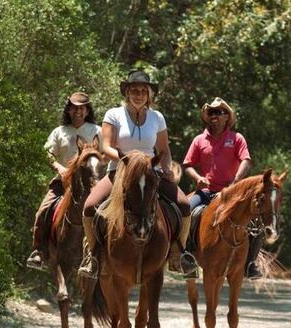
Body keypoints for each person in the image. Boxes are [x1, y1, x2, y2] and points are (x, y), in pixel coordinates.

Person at [78, 70, 198, 279]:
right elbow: (106, 146)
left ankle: (180, 253)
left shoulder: (157, 118)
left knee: (185, 205)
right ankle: (93, 257)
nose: (139, 94)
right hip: (121, 171)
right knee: (89, 207)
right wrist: (128, 160)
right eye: (134, 90)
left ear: (149, 94)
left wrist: (167, 168)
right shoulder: (113, 114)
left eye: (144, 90)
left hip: (152, 173)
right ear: (127, 92)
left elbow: (164, 149)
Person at [183, 97, 263, 280]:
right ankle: (186, 256)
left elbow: (246, 160)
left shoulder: (236, 138)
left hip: (231, 194)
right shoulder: (199, 140)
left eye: (219, 112)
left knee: (255, 220)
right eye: (211, 112)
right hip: (205, 192)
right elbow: (187, 164)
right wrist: (197, 177)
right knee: (186, 209)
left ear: (227, 116)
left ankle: (250, 263)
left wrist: (235, 182)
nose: (215, 116)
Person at [26, 92, 102, 271]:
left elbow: (106, 152)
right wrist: (60, 168)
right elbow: (47, 152)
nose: (78, 111)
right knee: (42, 211)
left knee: (109, 213)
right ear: (68, 110)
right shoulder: (59, 132)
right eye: (74, 108)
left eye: (82, 108)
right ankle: (39, 251)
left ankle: (107, 254)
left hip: (92, 183)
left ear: (87, 110)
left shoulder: (96, 130)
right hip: (64, 182)